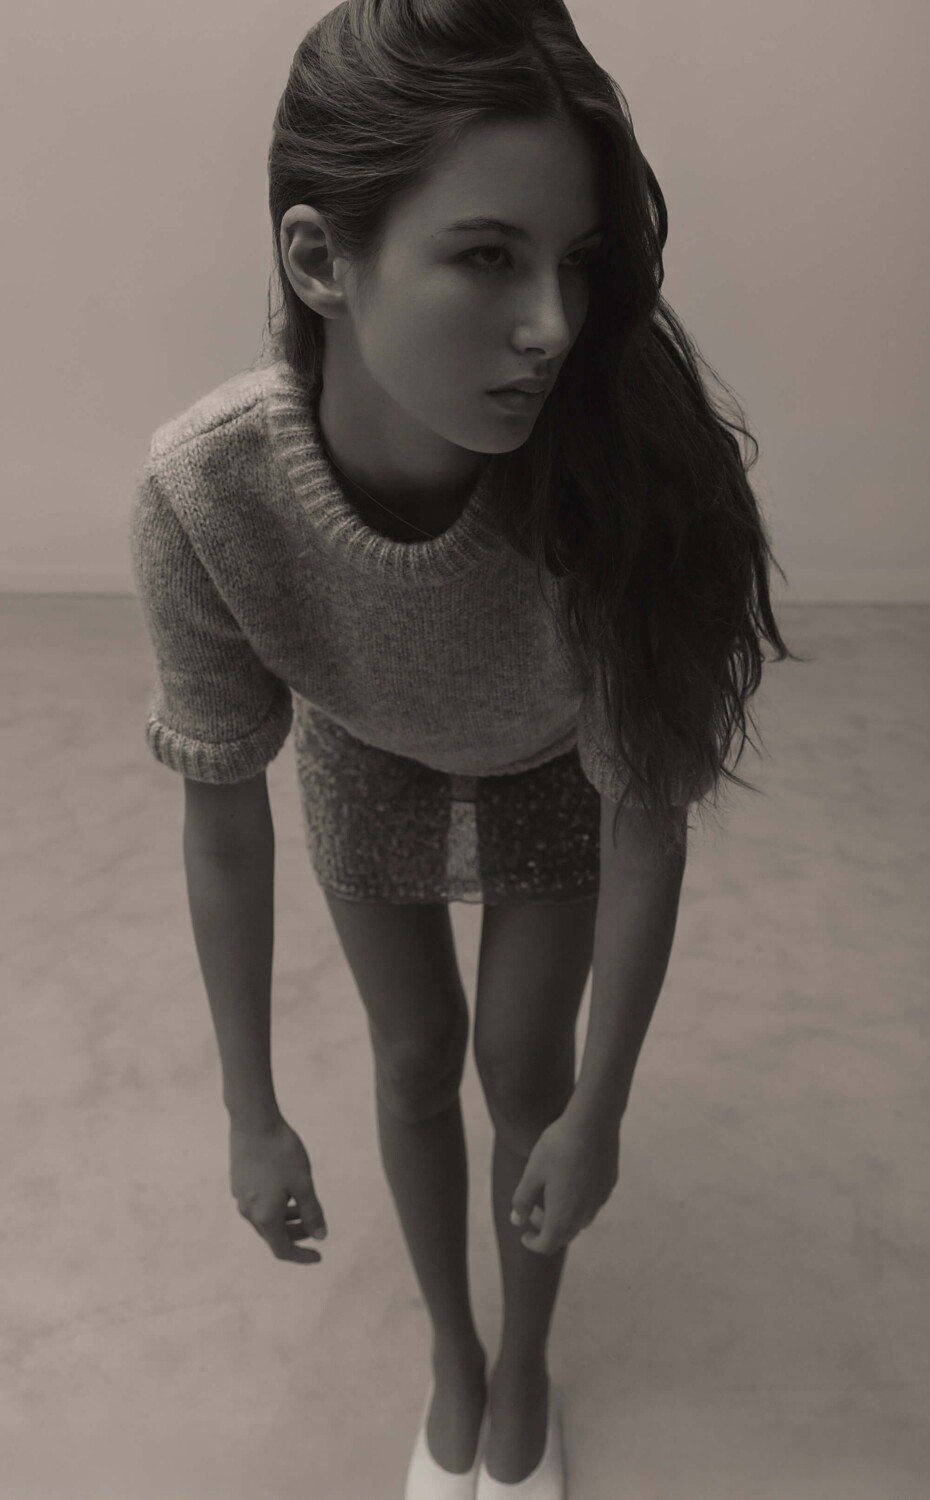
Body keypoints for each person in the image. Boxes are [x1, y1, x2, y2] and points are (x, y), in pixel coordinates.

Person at [129, 3, 803, 1495]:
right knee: (415, 1054)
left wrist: (599, 1113)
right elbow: (222, 814)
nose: (553, 325)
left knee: (523, 1069)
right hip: (367, 749)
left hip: (555, 761)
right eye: (489, 256)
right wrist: (249, 1110)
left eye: (576, 262)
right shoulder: (207, 496)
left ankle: (526, 1364)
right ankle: (453, 1349)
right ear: (322, 260)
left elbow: (645, 820)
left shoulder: (626, 488)